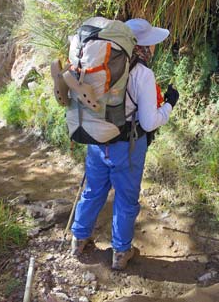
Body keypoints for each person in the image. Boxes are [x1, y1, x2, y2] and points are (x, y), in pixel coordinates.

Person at [70, 18, 180, 270]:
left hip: (97, 139)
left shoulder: (97, 65)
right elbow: (149, 122)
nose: (154, 48)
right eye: (151, 44)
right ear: (142, 46)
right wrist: (170, 104)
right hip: (127, 146)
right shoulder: (142, 74)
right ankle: (120, 252)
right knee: (126, 198)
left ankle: (79, 238)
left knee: (94, 190)